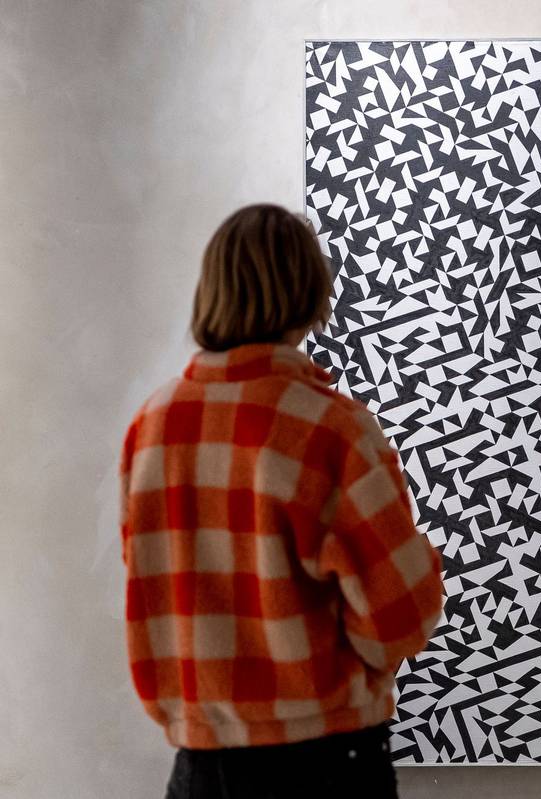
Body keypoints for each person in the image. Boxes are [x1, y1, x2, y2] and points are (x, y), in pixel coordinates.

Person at [118, 204, 444, 798]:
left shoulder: (152, 428)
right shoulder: (331, 429)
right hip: (324, 762)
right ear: (310, 295)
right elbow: (397, 620)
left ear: (211, 291)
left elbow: (153, 588)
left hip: (202, 767)